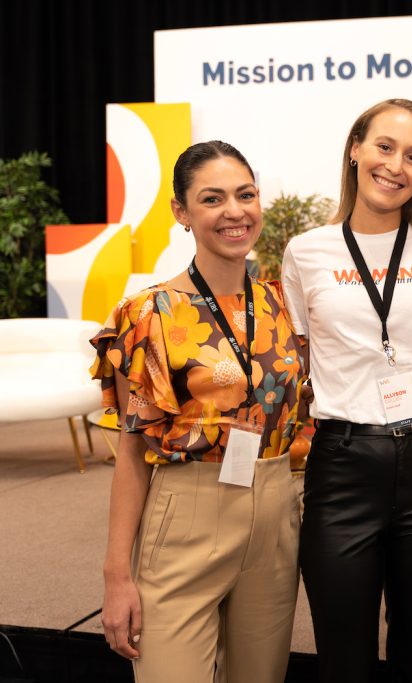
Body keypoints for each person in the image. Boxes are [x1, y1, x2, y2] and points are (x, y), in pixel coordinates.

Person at [93, 140, 303, 683]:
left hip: (276, 510)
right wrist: (118, 576)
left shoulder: (283, 305)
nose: (234, 212)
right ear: (181, 213)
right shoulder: (149, 315)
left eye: (245, 195)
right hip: (187, 510)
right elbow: (131, 455)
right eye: (212, 199)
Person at [281, 98, 412, 682]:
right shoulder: (305, 251)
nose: (396, 165)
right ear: (356, 147)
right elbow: (299, 357)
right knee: (344, 658)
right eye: (385, 147)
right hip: (341, 469)